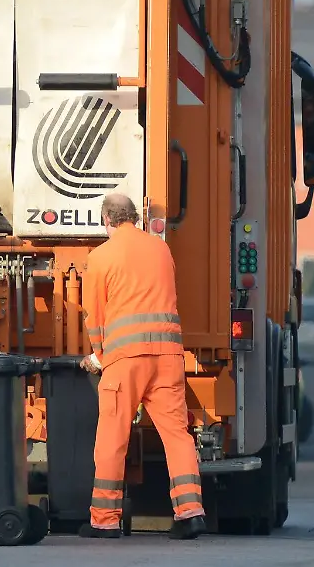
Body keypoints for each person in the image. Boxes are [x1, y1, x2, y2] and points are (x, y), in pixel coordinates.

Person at [77, 193, 207, 541]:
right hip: (167, 357)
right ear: (134, 217)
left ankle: (104, 519)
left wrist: (97, 356)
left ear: (106, 219)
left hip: (125, 361)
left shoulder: (100, 257)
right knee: (177, 435)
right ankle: (190, 512)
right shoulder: (161, 249)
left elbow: (94, 317)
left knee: (112, 438)